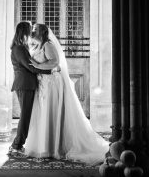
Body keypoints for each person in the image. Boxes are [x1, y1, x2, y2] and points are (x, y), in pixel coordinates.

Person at [24, 23, 109, 164]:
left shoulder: (48, 44)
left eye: (35, 30)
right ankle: (45, 146)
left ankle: (55, 147)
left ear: (42, 32)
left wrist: (37, 65)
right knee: (45, 113)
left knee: (51, 111)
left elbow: (54, 62)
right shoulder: (38, 45)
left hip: (52, 83)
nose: (33, 32)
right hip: (43, 82)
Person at [8, 21, 56, 156]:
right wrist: (50, 71)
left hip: (27, 84)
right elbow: (31, 68)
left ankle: (18, 144)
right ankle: (16, 146)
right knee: (25, 116)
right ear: (24, 32)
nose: (31, 33)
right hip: (25, 85)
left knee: (27, 116)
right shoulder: (19, 49)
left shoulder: (21, 47)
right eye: (29, 30)